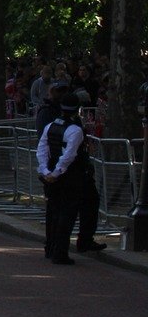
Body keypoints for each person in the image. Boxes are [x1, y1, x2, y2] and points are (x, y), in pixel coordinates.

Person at [37, 93, 105, 264]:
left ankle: (52, 248)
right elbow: (69, 155)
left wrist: (46, 171)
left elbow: (42, 150)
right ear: (77, 110)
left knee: (54, 211)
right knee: (67, 213)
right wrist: (55, 173)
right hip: (71, 175)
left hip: (54, 173)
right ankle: (61, 252)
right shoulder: (75, 130)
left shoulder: (50, 126)